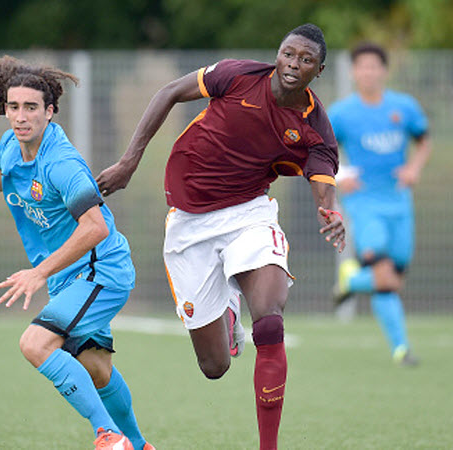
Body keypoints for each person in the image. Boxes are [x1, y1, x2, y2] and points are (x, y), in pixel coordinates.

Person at [96, 24, 345, 450]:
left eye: (306, 60)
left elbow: (323, 182)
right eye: (288, 53)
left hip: (249, 214)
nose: (293, 64)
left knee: (269, 320)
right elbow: (169, 92)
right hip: (188, 224)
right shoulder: (237, 75)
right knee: (214, 366)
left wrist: (331, 210)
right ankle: (228, 309)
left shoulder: (314, 127)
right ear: (278, 53)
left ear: (318, 71)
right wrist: (128, 162)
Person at [0, 55, 154, 450]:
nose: (21, 117)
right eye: (14, 107)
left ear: (50, 111)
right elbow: (8, 177)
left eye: (31, 107)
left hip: (101, 270)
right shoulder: (10, 144)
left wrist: (38, 273)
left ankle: (107, 435)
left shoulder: (63, 164)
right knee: (96, 370)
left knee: (35, 344)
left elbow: (96, 227)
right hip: (68, 275)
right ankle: (138, 446)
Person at [328, 42, 432, 366]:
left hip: (399, 203)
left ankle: (397, 347)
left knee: (392, 279)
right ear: (353, 72)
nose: (368, 72)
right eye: (362, 67)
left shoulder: (404, 107)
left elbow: (424, 140)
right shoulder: (342, 113)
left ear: (384, 71)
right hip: (364, 204)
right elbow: (318, 150)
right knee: (384, 275)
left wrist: (414, 169)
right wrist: (340, 175)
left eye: (374, 66)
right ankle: (402, 347)